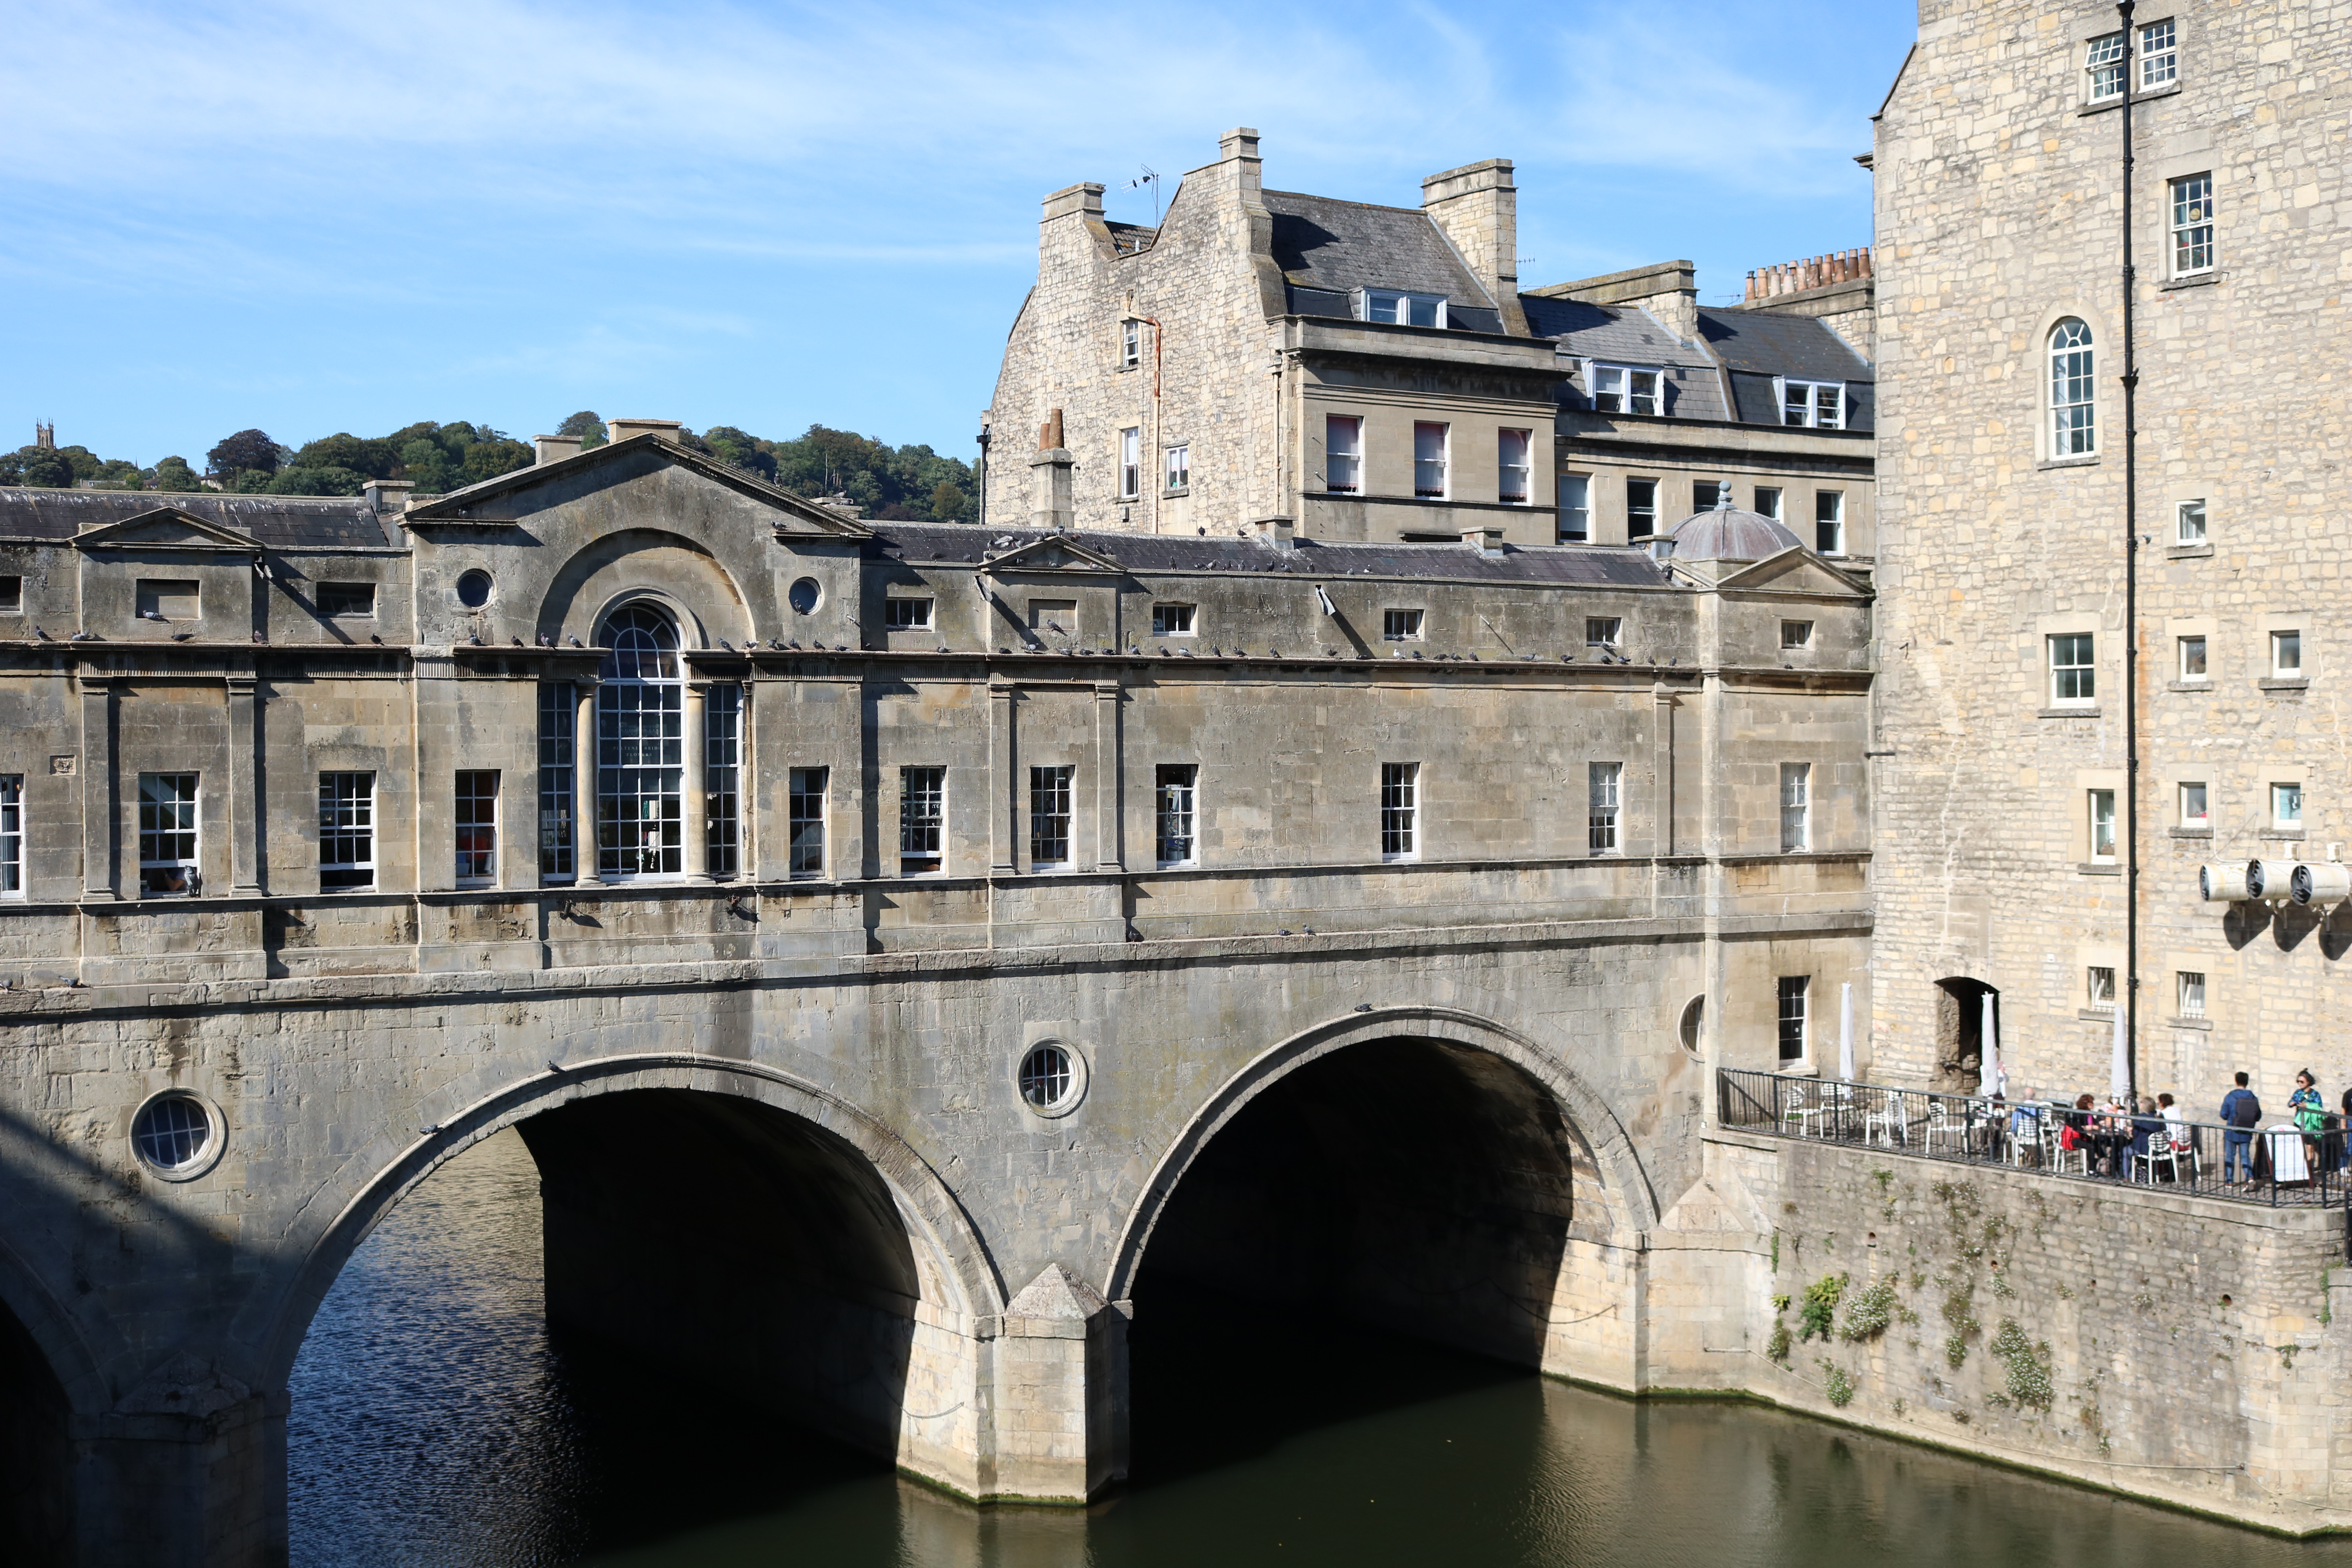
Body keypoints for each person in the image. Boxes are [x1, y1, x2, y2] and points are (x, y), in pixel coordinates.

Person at [2221, 1072, 2262, 1183]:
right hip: (2246, 1132)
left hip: (2232, 1131)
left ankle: (2229, 1181)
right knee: (2245, 1156)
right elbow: (2258, 1116)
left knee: (2230, 1157)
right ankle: (2250, 1177)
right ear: (2247, 1082)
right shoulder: (2253, 1098)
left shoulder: (2230, 1097)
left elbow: (2223, 1114)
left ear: (2236, 1082)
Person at [2292, 1070, 2326, 1171]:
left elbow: (2319, 1108)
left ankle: (2310, 1170)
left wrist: (2307, 1106)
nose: (2300, 1084)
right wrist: (2293, 1103)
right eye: (2298, 1081)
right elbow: (2290, 1103)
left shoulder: (2315, 1094)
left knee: (2310, 1147)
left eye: (2302, 1082)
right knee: (2298, 1146)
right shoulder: (2298, 1093)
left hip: (2310, 1124)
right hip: (2299, 1122)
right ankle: (2300, 1169)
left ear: (2308, 1082)